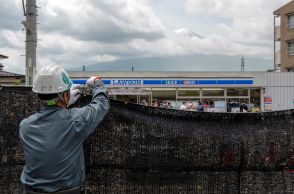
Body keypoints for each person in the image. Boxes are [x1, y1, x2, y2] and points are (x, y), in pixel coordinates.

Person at [19, 65, 109, 194]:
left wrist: (64, 103)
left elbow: (52, 122)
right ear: (64, 95)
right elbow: (101, 104)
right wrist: (97, 84)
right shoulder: (75, 120)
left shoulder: (25, 126)